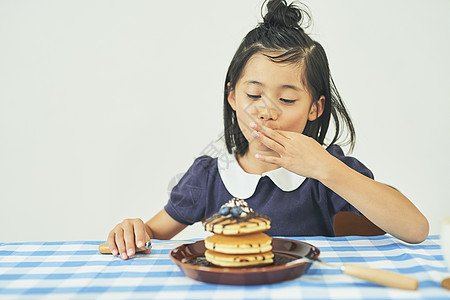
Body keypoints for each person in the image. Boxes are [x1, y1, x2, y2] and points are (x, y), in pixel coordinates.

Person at [107, 0, 429, 260]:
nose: (266, 112)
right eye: (253, 95)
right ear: (232, 96)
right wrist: (134, 229)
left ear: (314, 108)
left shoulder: (325, 172)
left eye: (287, 99)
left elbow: (416, 229)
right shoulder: (208, 177)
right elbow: (150, 235)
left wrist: (325, 167)